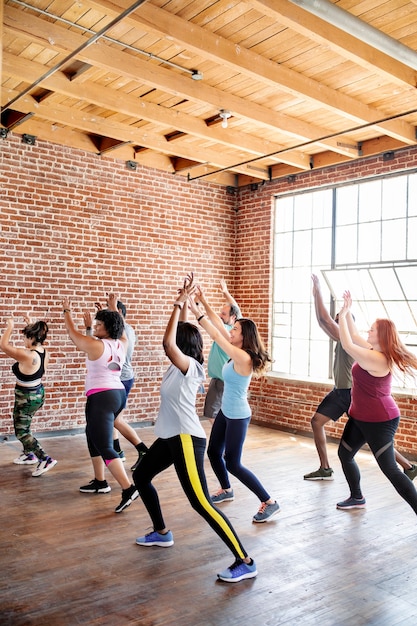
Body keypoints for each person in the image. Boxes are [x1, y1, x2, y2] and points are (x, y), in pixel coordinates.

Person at [133, 275, 257, 583]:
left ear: (183, 346)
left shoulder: (190, 367)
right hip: (171, 437)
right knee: (141, 475)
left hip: (187, 438)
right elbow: (181, 334)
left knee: (200, 502)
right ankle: (162, 532)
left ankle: (245, 560)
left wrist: (179, 305)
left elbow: (168, 342)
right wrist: (187, 300)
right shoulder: (180, 365)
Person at [304, 274, 417, 481]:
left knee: (364, 438)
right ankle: (408, 467)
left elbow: (324, 321)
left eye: (340, 320)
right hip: (343, 391)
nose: (336, 322)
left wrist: (318, 292)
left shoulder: (351, 341)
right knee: (367, 438)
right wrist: (342, 308)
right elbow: (340, 328)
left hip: (349, 394)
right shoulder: (360, 342)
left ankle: (328, 469)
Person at [189, 285, 279, 523]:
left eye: (235, 329)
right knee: (213, 452)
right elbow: (220, 328)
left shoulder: (244, 356)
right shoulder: (237, 349)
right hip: (226, 413)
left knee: (233, 463)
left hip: (238, 415)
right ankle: (226, 489)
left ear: (243, 336)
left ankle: (269, 501)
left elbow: (217, 335)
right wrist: (203, 301)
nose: (230, 330)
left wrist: (197, 314)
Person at [336, 290, 417, 512]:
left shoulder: (378, 359)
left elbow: (347, 345)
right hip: (360, 416)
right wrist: (348, 311)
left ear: (381, 336)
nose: (368, 331)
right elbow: (352, 337)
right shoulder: (373, 350)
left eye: (372, 329)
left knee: (390, 469)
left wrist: (343, 316)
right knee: (345, 454)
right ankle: (357, 497)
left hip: (380, 420)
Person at [61, 295, 138, 513]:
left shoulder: (97, 345)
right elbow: (98, 341)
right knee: (91, 434)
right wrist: (109, 313)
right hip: (116, 394)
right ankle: (100, 481)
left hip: (102, 398)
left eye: (99, 324)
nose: (95, 326)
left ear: (108, 328)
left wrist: (67, 312)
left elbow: (73, 336)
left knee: (105, 445)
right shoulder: (122, 343)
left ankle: (128, 488)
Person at [85, 298, 148, 471]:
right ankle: (118, 451)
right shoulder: (118, 333)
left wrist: (110, 310)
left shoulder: (125, 332)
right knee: (111, 420)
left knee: (115, 420)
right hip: (116, 379)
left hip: (121, 379)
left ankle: (141, 449)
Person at [0, 315, 57, 477]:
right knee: (26, 425)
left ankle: (44, 458)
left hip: (26, 398)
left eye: (25, 337)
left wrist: (9, 327)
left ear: (32, 337)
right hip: (37, 394)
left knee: (21, 431)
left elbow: (3, 345)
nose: (24, 340)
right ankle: (28, 454)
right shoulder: (44, 352)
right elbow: (34, 338)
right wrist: (29, 324)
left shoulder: (28, 355)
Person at [203, 279, 241, 421]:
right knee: (216, 412)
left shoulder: (228, 332)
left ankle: (220, 439)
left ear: (233, 317)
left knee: (212, 413)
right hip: (221, 378)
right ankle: (222, 438)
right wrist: (225, 292)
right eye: (221, 313)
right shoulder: (238, 328)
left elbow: (216, 322)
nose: (220, 315)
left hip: (222, 380)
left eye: (224, 314)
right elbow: (236, 306)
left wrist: (203, 301)